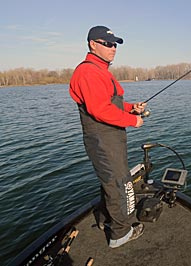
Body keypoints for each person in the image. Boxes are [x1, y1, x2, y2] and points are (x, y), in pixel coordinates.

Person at [69, 25, 146, 248]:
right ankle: (120, 234)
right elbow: (100, 111)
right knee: (120, 183)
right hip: (102, 140)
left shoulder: (100, 70)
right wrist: (133, 121)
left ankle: (106, 221)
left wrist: (132, 108)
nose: (113, 48)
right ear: (93, 44)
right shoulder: (88, 72)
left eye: (115, 44)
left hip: (110, 137)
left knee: (110, 182)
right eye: (107, 44)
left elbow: (110, 103)